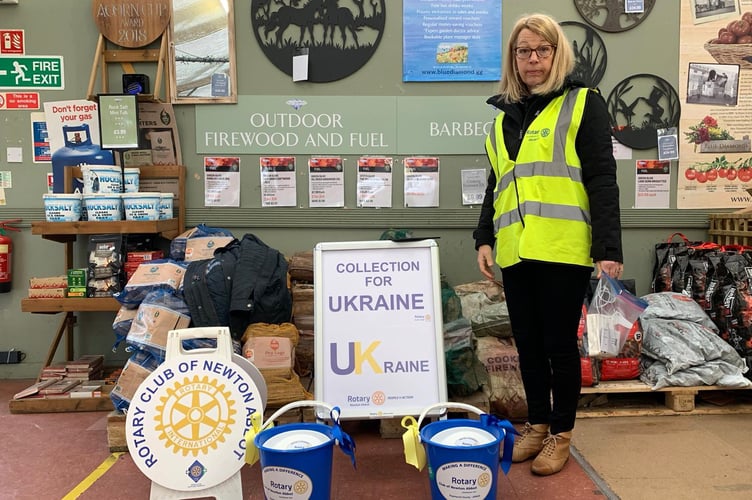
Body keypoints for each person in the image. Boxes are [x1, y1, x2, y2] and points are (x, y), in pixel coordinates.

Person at [473, 13, 623, 476]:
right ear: (513, 59)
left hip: (562, 247)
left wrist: (609, 248)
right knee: (529, 345)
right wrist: (484, 237)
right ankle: (536, 424)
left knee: (558, 346)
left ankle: (561, 432)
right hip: (516, 250)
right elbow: (497, 185)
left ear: (558, 54)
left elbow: (602, 178)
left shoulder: (583, 104)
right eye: (523, 51)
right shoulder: (502, 120)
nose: (533, 59)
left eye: (542, 50)